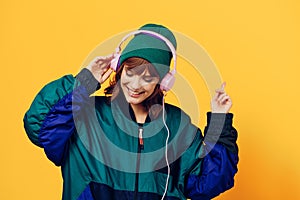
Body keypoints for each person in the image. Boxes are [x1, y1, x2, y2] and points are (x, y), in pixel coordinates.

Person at [23, 23, 238, 200]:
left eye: (148, 77)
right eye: (130, 72)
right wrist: (85, 81)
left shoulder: (175, 124)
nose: (136, 85)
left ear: (163, 82)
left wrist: (219, 120)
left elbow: (209, 182)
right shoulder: (86, 116)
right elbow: (39, 125)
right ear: (119, 68)